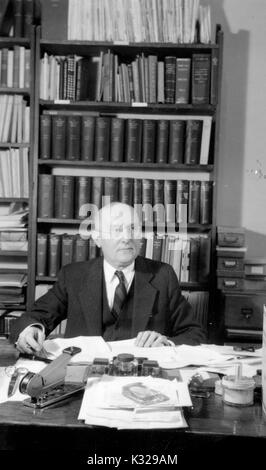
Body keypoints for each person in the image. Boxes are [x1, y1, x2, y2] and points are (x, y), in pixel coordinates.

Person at [10, 202, 206, 354]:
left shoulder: (163, 275)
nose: (127, 237)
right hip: (82, 379)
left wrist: (166, 342)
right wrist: (30, 330)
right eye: (117, 230)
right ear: (97, 238)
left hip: (141, 376)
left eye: (133, 229)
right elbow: (35, 317)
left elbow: (194, 334)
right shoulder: (73, 275)